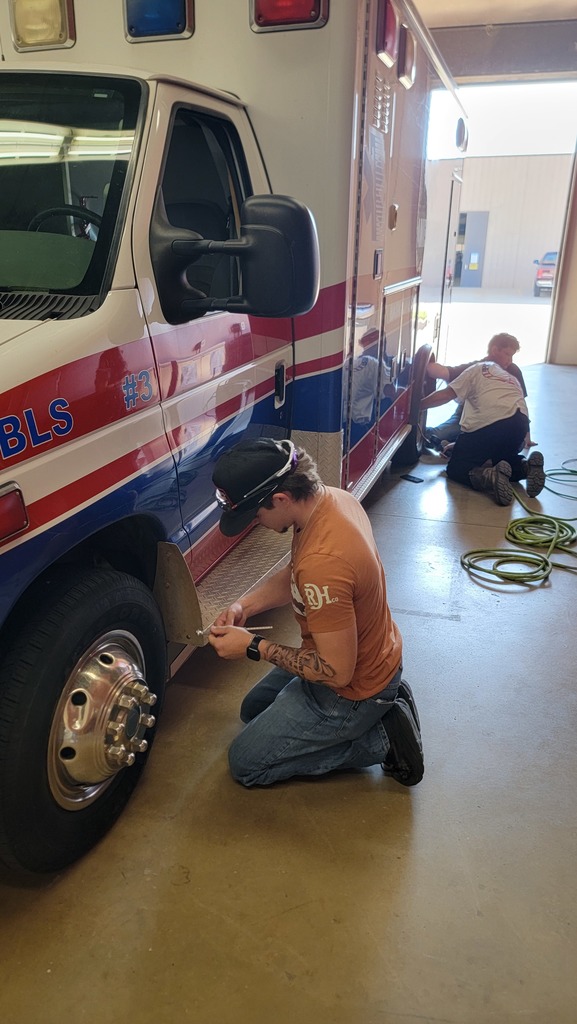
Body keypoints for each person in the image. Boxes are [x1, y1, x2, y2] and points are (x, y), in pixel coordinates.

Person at [206, 437, 424, 788]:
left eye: (256, 515)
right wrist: (244, 605)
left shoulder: (324, 562)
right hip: (362, 654)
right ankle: (380, 707)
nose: (256, 523)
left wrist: (252, 646)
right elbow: (296, 573)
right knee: (252, 710)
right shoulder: (331, 499)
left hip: (353, 689)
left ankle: (383, 738)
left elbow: (337, 673)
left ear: (281, 498)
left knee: (245, 764)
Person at [420, 360, 546, 505]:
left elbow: (446, 395)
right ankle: (526, 467)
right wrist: (458, 444)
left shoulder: (475, 370)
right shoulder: (509, 378)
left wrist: (416, 406)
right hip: (520, 425)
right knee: (502, 459)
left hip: (491, 422)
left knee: (457, 468)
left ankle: (490, 477)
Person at [424, 333, 534, 452]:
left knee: (510, 444)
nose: (510, 360)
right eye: (507, 354)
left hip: (500, 419)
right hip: (471, 416)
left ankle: (454, 443)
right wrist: (422, 365)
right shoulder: (477, 368)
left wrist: (527, 436)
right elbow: (443, 373)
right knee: (437, 434)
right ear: (494, 350)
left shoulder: (513, 370)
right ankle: (447, 441)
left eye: (512, 356)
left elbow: (521, 403)